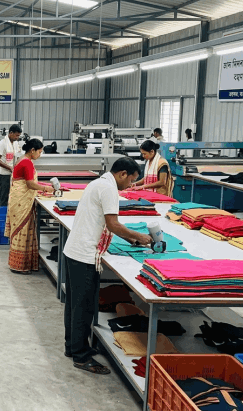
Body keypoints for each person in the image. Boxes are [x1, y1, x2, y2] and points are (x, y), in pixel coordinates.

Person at [62, 157, 153, 375]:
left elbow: (106, 223)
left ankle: (73, 347)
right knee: (84, 308)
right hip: (84, 255)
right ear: (122, 174)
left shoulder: (98, 183)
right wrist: (139, 236)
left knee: (75, 305)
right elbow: (113, 224)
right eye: (131, 180)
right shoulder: (109, 189)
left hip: (74, 251)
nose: (130, 185)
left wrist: (131, 239)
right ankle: (81, 357)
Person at [4, 139, 53, 274]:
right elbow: (30, 184)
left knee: (22, 230)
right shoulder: (27, 163)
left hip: (18, 199)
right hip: (21, 201)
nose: (40, 155)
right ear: (32, 150)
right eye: (39, 152)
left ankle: (20, 264)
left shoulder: (22, 159)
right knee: (22, 230)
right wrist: (45, 188)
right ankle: (19, 266)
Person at [0, 125, 22, 207]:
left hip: (13, 174)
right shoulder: (2, 143)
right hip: (4, 175)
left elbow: (17, 155)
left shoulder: (15, 143)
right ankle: (3, 213)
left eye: (18, 136)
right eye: (16, 135)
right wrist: (9, 167)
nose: (17, 137)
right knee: (4, 197)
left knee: (13, 197)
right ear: (11, 133)